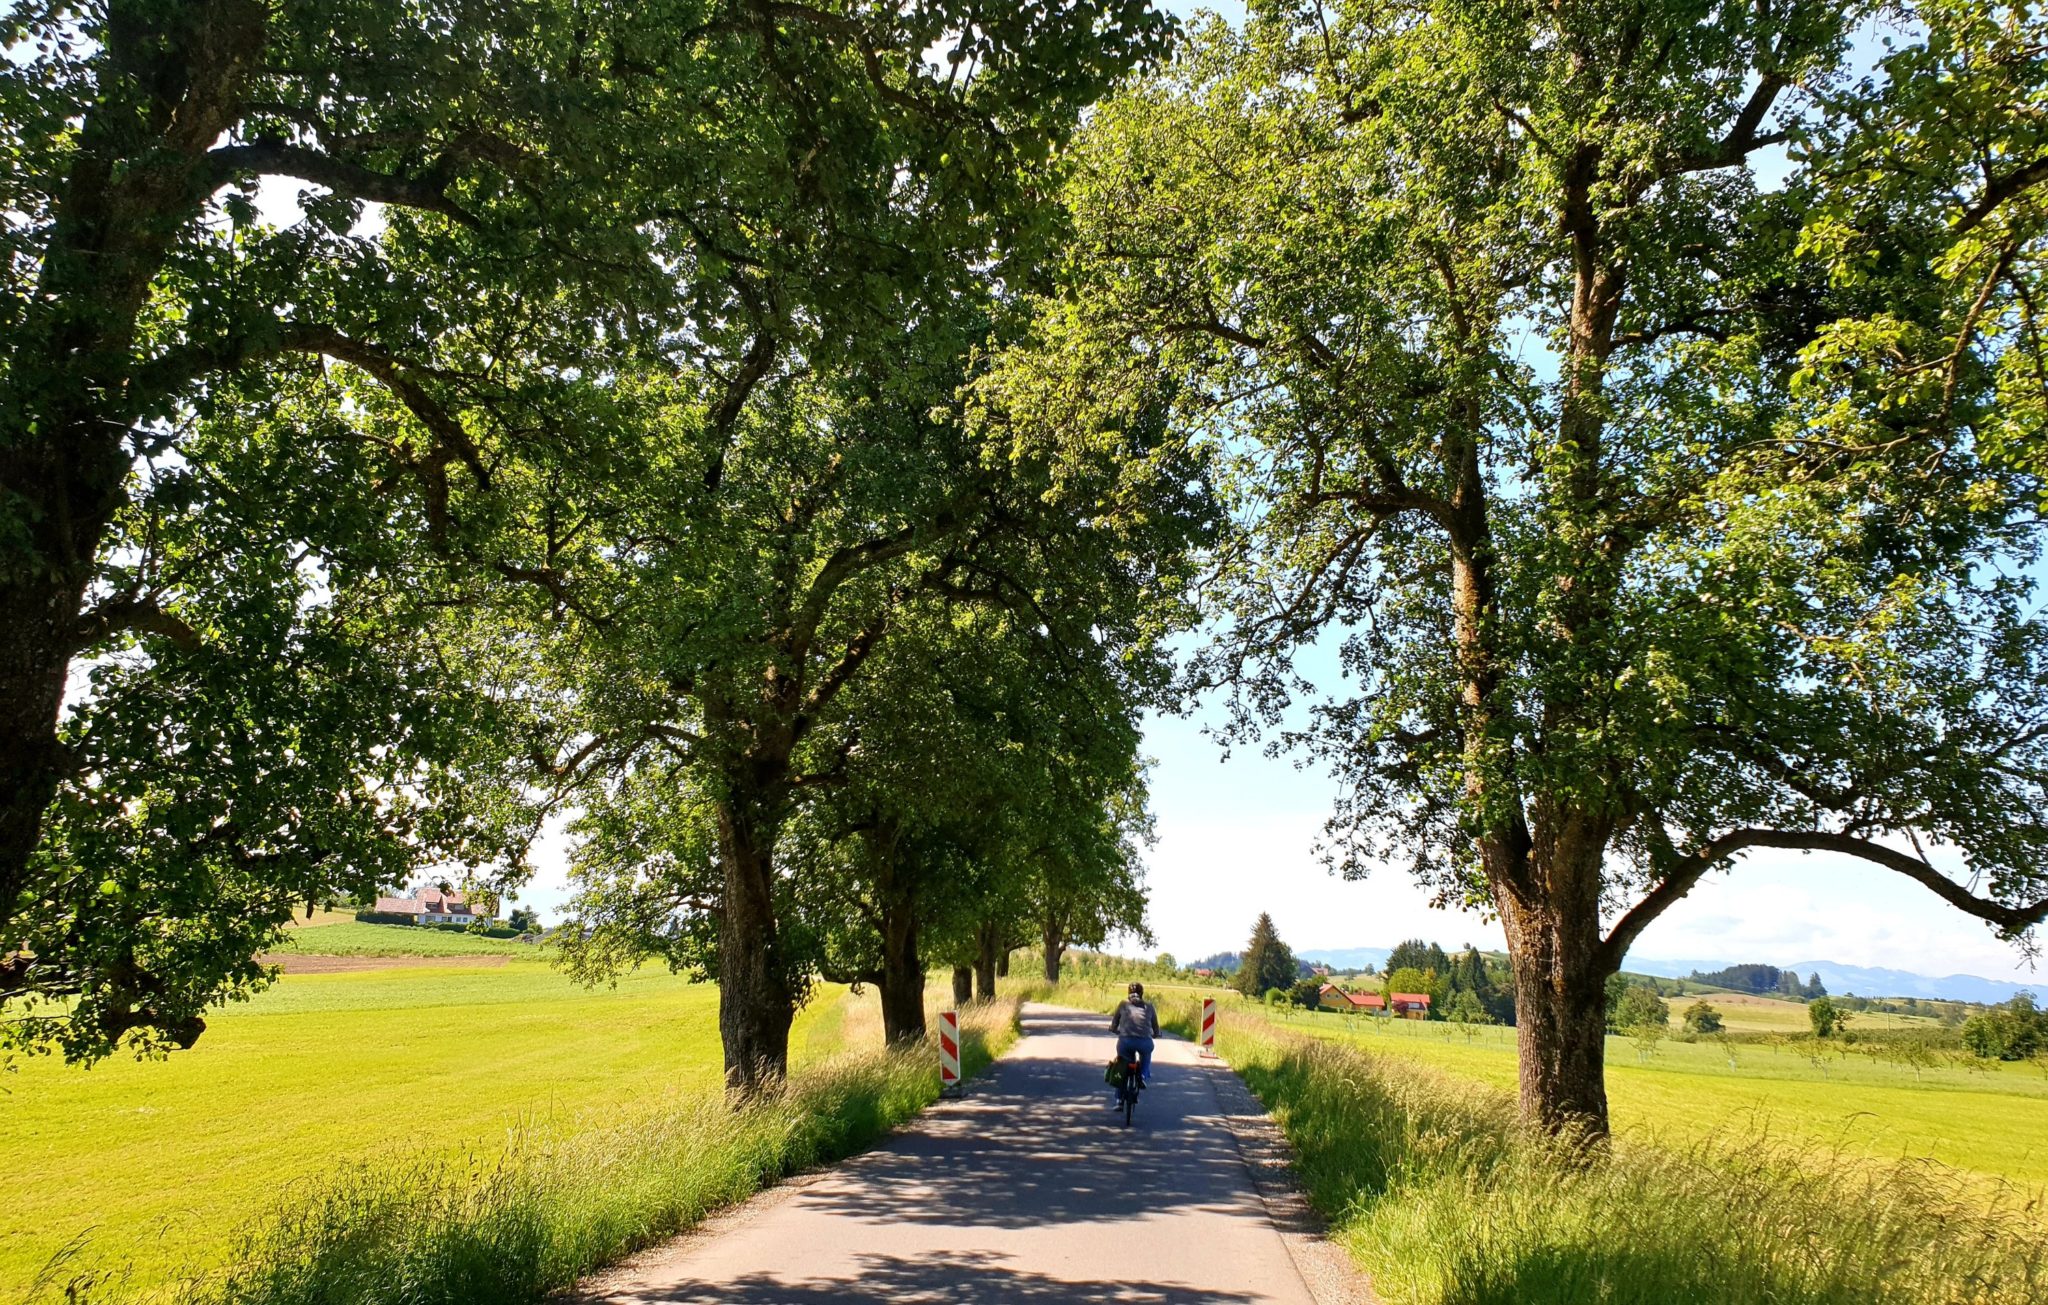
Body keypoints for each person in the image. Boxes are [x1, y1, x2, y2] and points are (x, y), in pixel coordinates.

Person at [1111, 981, 1158, 1088]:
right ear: (1142, 993)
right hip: (1144, 1041)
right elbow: (1155, 1026)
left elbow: (1115, 1022)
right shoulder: (1149, 1006)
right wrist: (1156, 1033)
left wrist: (1114, 1029)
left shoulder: (1123, 1004)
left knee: (1122, 1068)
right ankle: (1142, 1075)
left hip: (1125, 1041)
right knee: (1146, 1055)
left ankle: (1119, 1101)